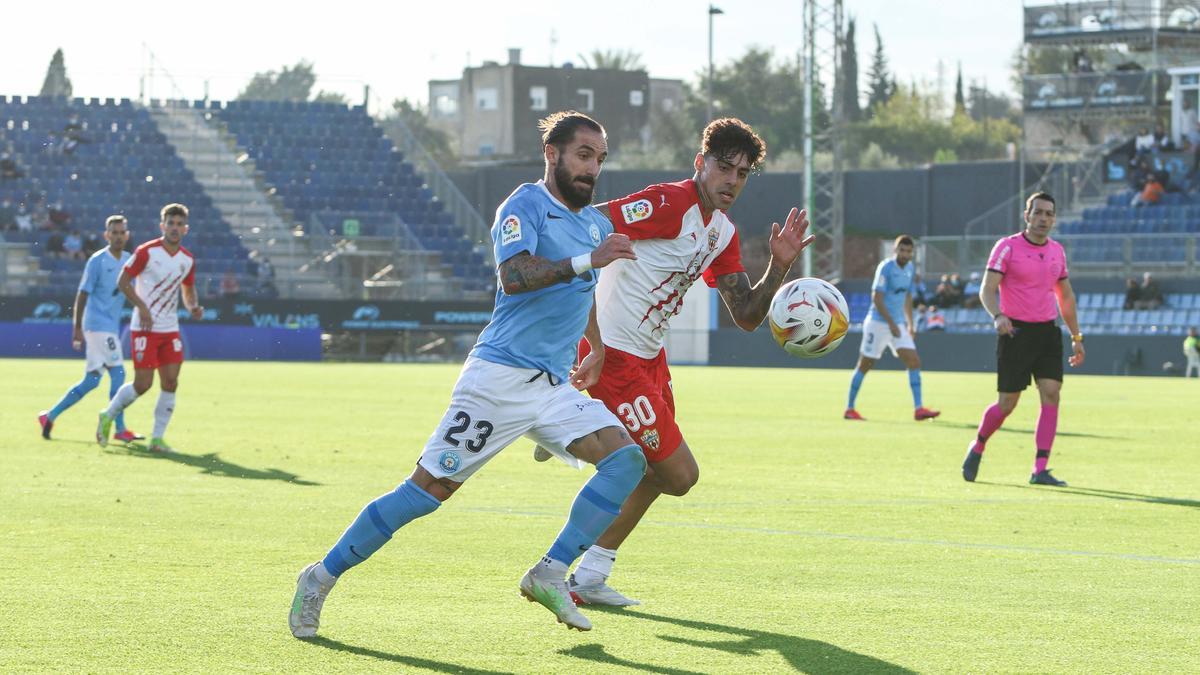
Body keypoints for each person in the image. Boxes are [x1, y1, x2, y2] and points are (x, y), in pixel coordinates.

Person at [288, 111, 647, 638]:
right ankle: (319, 576)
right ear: (553, 154)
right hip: (498, 379)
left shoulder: (595, 223)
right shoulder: (524, 205)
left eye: (599, 158)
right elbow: (515, 275)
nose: (592, 168)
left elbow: (584, 285)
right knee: (426, 492)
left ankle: (549, 572)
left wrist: (591, 343)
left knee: (625, 461)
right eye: (583, 155)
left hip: (551, 386)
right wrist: (585, 260)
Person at [532, 118, 814, 607]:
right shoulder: (669, 203)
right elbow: (582, 222)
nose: (732, 180)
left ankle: (590, 573)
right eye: (724, 168)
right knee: (681, 475)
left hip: (650, 362)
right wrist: (584, 327)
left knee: (654, 471)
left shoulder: (721, 233)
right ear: (700, 163)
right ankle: (562, 430)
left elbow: (747, 315)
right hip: (613, 357)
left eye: (743, 174)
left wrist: (780, 266)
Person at [962, 192, 1085, 487]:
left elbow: (1065, 296)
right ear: (1026, 215)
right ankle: (978, 445)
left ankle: (1040, 468)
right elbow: (987, 289)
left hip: (1047, 332)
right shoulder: (1007, 247)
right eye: (1038, 212)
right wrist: (998, 316)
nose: (1043, 218)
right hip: (1014, 332)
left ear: (1054, 219)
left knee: (1052, 394)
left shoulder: (1057, 251)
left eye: (1049, 214)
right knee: (1007, 404)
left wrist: (1076, 336)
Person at [96, 203, 203, 453]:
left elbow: (188, 289)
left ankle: (157, 439)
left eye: (179, 224)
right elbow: (122, 281)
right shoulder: (147, 251)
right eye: (170, 223)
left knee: (171, 382)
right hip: (144, 328)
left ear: (185, 229)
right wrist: (142, 308)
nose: (174, 228)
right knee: (143, 384)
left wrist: (193, 307)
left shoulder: (187, 259)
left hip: (170, 328)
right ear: (162, 225)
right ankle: (107, 414)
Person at [38, 216, 144, 443]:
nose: (117, 236)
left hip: (109, 327)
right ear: (106, 235)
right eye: (113, 232)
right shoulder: (97, 261)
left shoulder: (128, 260)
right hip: (97, 325)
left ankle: (49, 416)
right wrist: (76, 328)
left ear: (127, 235)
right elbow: (82, 293)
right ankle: (119, 427)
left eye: (121, 232)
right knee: (119, 373)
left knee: (92, 381)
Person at [845, 235, 940, 422]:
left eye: (908, 251)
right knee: (865, 365)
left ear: (912, 253)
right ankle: (849, 408)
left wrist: (910, 325)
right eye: (902, 250)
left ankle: (918, 408)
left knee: (914, 361)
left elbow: (907, 297)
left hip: (897, 324)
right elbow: (877, 298)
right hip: (878, 323)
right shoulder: (886, 268)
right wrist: (891, 324)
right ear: (895, 251)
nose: (905, 254)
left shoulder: (910, 269)